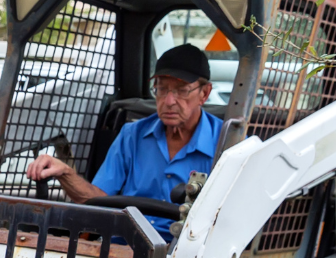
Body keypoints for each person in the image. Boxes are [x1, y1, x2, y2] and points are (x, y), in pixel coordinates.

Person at [25, 44, 222, 236]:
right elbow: (97, 200)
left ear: (204, 93)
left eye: (181, 90)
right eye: (162, 89)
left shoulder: (226, 143)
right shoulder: (132, 135)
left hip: (188, 255)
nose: (169, 101)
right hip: (125, 244)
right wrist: (65, 172)